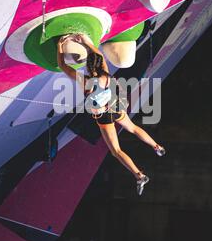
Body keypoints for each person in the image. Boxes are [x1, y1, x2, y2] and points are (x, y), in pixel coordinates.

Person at [57, 34, 166, 195]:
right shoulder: (106, 74)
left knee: (116, 150)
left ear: (88, 68)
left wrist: (60, 45)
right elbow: (99, 56)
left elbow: (63, 66)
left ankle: (139, 175)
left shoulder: (86, 81)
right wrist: (87, 42)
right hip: (116, 108)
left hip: (105, 116)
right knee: (134, 128)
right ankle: (157, 147)